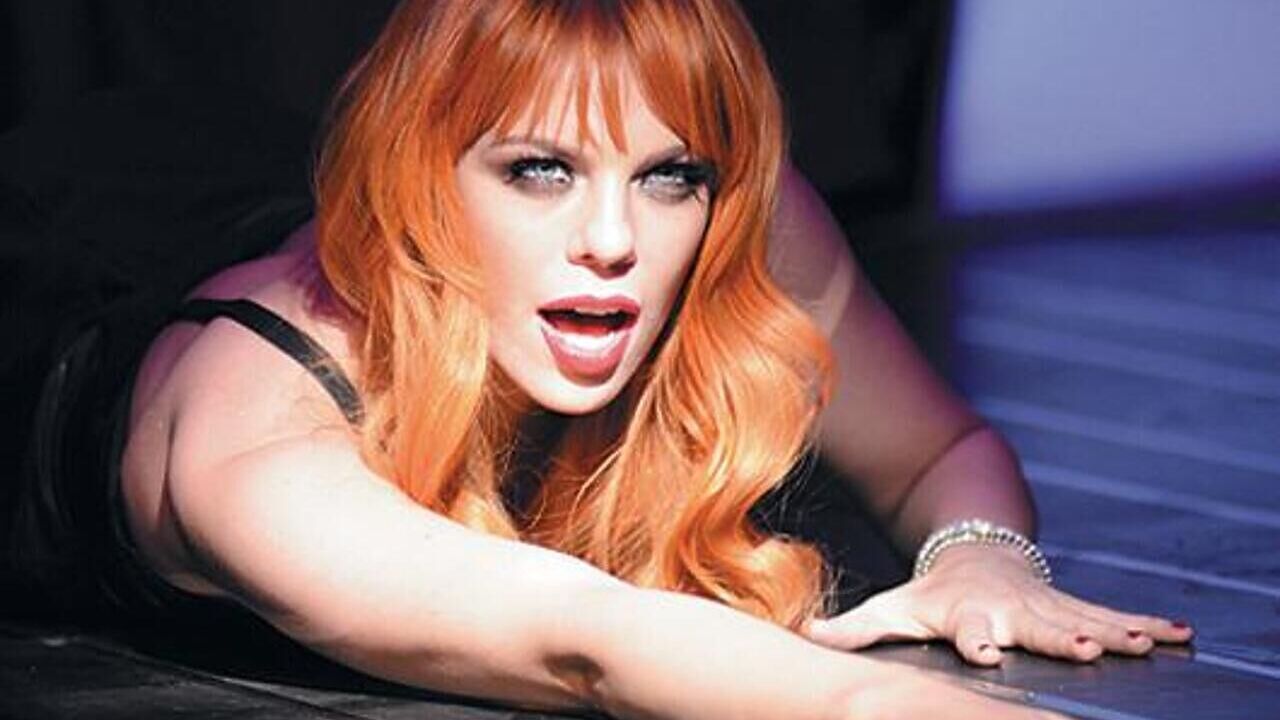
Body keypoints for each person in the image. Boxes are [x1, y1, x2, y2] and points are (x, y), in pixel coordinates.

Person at [6, 0, 1192, 717]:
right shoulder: (252, 431)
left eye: (667, 175)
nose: (614, 240)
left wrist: (981, 559)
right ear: (425, 185)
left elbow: (938, 449)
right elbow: (588, 642)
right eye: (540, 171)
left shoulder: (734, 224)